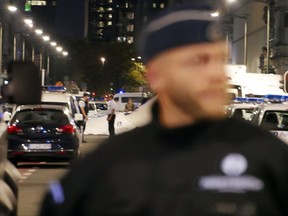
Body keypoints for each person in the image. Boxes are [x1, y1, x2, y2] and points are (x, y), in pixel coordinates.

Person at [38, 2, 288, 215]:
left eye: (219, 59)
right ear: (156, 76)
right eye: (197, 61)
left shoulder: (268, 158)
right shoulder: (104, 169)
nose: (215, 73)